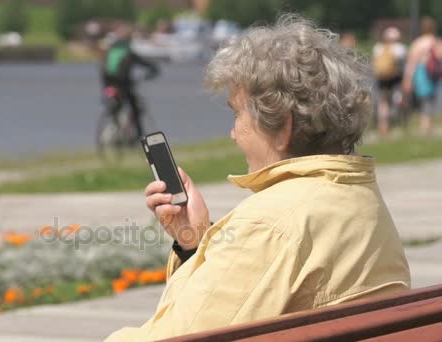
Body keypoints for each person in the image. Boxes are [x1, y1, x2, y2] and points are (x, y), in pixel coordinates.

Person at [106, 15, 410, 341]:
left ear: (282, 128)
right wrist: (193, 243)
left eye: (238, 114)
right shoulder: (361, 198)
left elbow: (176, 337)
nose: (233, 133)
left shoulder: (271, 226)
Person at [100, 24, 160, 139]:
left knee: (116, 106)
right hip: (123, 85)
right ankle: (139, 137)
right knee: (135, 108)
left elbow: (103, 69)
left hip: (108, 84)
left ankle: (115, 125)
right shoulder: (128, 52)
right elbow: (145, 63)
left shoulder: (111, 51)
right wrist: (153, 70)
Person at [403, 16, 441, 135]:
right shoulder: (436, 41)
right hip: (433, 73)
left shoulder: (418, 43)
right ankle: (427, 124)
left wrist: (407, 79)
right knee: (430, 98)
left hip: (421, 71)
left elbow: (411, 62)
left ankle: (425, 124)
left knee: (424, 99)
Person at [372, 26, 407, 136]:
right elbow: (404, 64)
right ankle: (397, 121)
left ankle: (383, 125)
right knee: (397, 99)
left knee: (383, 102)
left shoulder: (378, 47)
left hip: (382, 79)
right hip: (396, 78)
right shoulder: (400, 48)